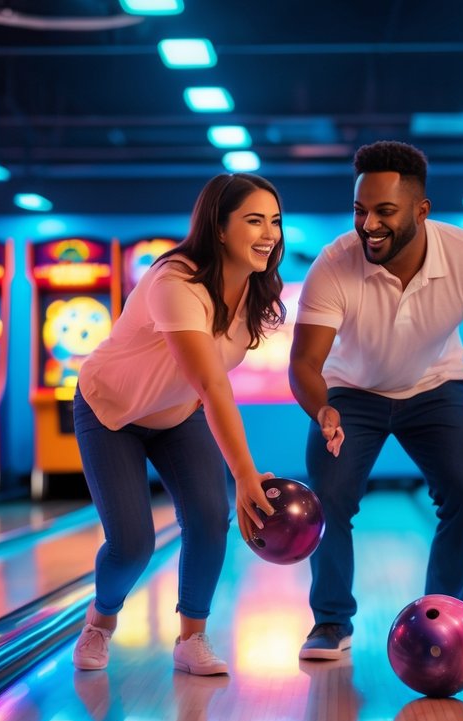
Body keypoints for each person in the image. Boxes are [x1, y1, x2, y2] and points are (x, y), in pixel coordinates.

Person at [289, 141, 463, 660]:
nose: (368, 225)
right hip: (352, 394)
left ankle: (444, 618)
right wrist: (323, 410)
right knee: (331, 495)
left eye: (384, 211)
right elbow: (303, 364)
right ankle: (331, 622)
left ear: (420, 210)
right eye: (361, 211)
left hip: (436, 389)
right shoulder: (335, 264)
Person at [72, 172, 286, 675]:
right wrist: (245, 472)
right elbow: (213, 384)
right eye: (254, 221)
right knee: (132, 544)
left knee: (211, 519)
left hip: (177, 415)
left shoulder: (256, 292)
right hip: (111, 413)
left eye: (275, 221)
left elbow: (203, 390)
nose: (269, 234)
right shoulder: (177, 281)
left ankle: (192, 639)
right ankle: (99, 623)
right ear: (218, 227)